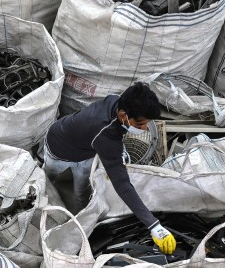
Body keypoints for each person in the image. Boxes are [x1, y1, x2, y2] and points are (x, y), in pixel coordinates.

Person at [42, 82, 176, 254]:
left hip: (86, 152)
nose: (144, 129)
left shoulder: (117, 100)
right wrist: (153, 225)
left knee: (82, 192)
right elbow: (122, 184)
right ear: (123, 115)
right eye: (140, 124)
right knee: (47, 180)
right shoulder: (105, 135)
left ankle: (79, 220)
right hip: (58, 150)